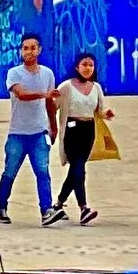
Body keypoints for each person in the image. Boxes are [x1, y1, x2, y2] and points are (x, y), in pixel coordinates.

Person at [0, 34, 55, 223]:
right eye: (25, 48)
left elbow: (50, 102)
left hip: (39, 132)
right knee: (10, 171)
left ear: (39, 50)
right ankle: (1, 207)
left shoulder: (47, 74)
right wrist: (44, 94)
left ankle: (47, 210)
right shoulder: (14, 73)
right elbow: (21, 94)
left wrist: (53, 126)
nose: (28, 52)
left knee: (43, 172)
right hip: (17, 133)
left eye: (32, 48)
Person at [50, 52, 108, 226]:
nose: (88, 68)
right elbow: (52, 106)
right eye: (84, 64)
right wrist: (51, 127)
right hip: (71, 131)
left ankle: (59, 204)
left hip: (88, 131)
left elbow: (100, 109)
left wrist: (107, 114)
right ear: (77, 67)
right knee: (78, 168)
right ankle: (82, 208)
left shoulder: (96, 87)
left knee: (77, 170)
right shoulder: (67, 86)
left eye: (91, 65)